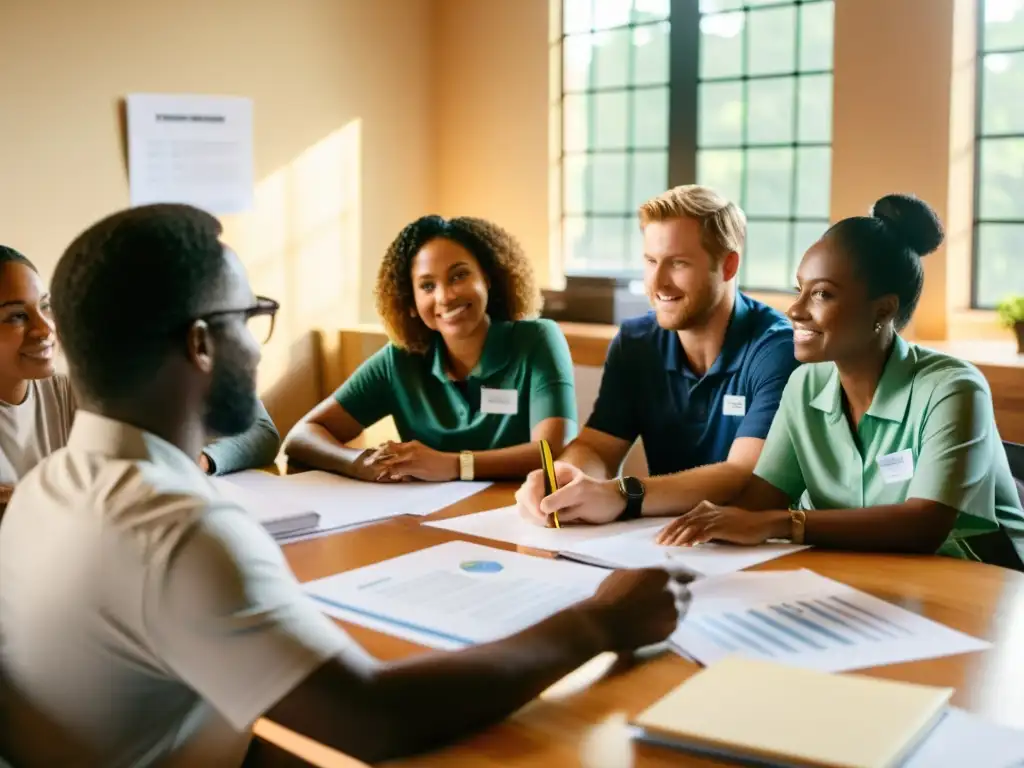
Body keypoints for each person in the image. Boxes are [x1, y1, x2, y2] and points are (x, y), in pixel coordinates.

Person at [0, 203, 690, 767]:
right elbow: (372, 720)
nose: (258, 344)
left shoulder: (44, 489)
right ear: (201, 344)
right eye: (251, 317)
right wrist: (598, 622)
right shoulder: (178, 531)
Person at [656, 194, 1024, 569]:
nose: (796, 310)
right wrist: (705, 521)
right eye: (799, 289)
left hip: (982, 584)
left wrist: (781, 523)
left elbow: (925, 524)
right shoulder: (804, 386)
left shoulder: (953, 388)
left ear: (883, 310)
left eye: (821, 294)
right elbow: (760, 500)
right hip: (870, 576)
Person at [516, 185, 798, 527]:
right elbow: (598, 446)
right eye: (651, 261)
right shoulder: (636, 342)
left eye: (678, 263)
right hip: (659, 540)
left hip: (758, 549)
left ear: (728, 265)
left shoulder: (778, 349)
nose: (658, 283)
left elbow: (742, 474)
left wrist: (621, 495)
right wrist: (569, 475)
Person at [283, 215, 577, 482]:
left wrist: (453, 465)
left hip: (519, 519)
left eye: (459, 275)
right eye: (427, 286)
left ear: (487, 278)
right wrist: (359, 462)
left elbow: (552, 451)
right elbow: (302, 436)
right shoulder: (398, 360)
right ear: (410, 303)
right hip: (426, 522)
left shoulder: (537, 339)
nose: (446, 296)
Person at [0, 244, 280, 512]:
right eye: (16, 316)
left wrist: (202, 461)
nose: (44, 328)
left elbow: (260, 429)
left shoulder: (71, 389)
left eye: (45, 306)